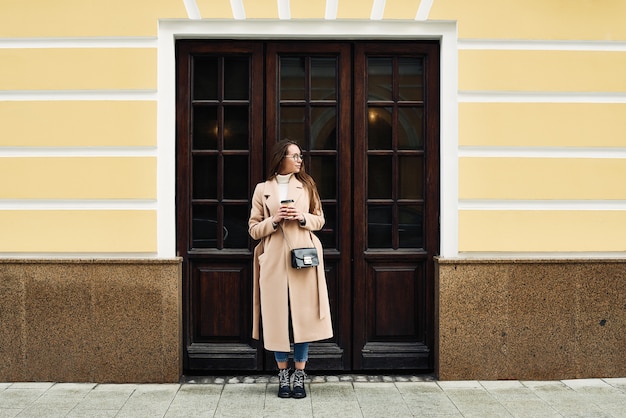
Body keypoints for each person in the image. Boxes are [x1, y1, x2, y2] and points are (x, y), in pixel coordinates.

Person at [248, 139, 333, 399]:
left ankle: (300, 375)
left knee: (303, 316)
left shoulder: (307, 186)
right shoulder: (263, 189)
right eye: (294, 156)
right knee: (276, 317)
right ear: (281, 158)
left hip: (302, 258)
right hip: (273, 260)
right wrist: (274, 220)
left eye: (300, 156)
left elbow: (320, 219)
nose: (299, 160)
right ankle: (282, 375)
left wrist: (301, 217)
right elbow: (253, 229)